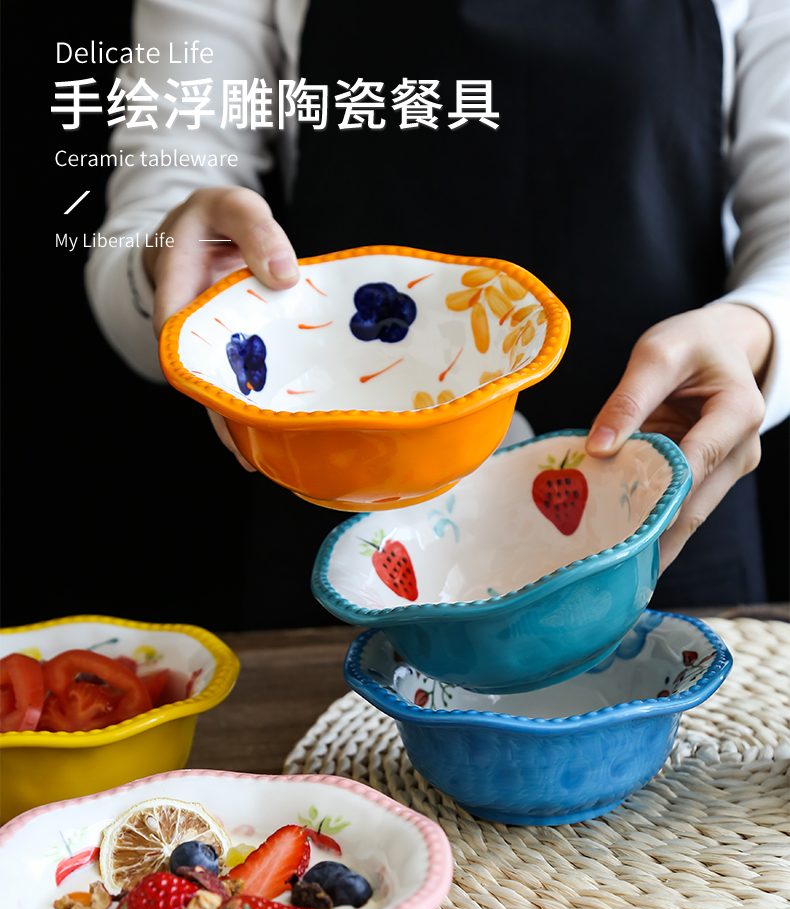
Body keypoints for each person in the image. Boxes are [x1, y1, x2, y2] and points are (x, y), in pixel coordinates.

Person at [86, 0, 790, 611]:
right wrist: (178, 275)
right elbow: (148, 223)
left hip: (672, 506)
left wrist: (754, 330)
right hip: (349, 535)